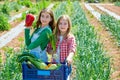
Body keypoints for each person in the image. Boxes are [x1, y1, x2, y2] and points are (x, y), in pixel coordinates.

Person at [47, 15, 76, 80]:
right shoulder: (54, 37)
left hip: (64, 64)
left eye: (65, 24)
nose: (62, 25)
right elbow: (48, 48)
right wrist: (51, 51)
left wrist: (69, 57)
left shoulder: (70, 38)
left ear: (68, 26)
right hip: (54, 63)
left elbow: (72, 49)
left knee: (64, 77)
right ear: (57, 25)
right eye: (60, 23)